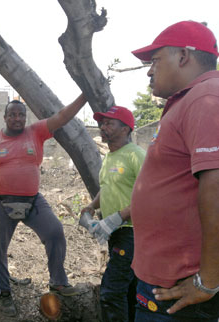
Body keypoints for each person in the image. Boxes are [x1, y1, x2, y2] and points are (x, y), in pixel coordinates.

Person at [130, 20, 219, 321]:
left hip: (183, 289)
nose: (149, 70)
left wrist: (208, 281)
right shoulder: (188, 100)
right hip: (164, 281)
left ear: (183, 56)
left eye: (155, 60)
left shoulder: (207, 98)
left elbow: (216, 186)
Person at [0, 94, 87, 317]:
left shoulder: (36, 132)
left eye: (21, 114)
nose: (17, 118)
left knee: (55, 232)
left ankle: (58, 282)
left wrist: (85, 97)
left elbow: (61, 117)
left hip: (33, 200)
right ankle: (4, 294)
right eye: (12, 114)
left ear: (25, 117)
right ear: (5, 117)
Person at [80, 106, 145, 322]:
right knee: (130, 290)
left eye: (109, 123)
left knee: (111, 292)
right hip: (117, 233)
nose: (103, 127)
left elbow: (150, 194)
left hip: (132, 233)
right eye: (102, 122)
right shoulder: (110, 157)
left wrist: (120, 216)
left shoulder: (136, 155)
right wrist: (92, 205)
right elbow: (107, 187)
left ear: (126, 129)